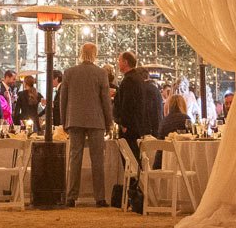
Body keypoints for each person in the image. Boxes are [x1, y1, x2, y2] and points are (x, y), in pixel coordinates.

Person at [58, 42, 113, 208]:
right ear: (95, 54)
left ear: (80, 53)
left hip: (74, 119)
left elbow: (63, 100)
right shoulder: (101, 73)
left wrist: (64, 121)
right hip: (96, 121)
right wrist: (109, 122)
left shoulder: (69, 72)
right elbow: (105, 100)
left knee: (75, 158)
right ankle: (100, 198)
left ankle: (71, 197)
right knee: (97, 159)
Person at [115, 50, 163, 165]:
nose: (118, 63)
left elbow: (128, 103)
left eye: (119, 60)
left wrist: (124, 124)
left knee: (130, 160)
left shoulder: (129, 80)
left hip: (130, 128)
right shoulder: (138, 79)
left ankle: (133, 183)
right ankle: (135, 182)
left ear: (125, 62)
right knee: (134, 159)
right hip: (137, 126)